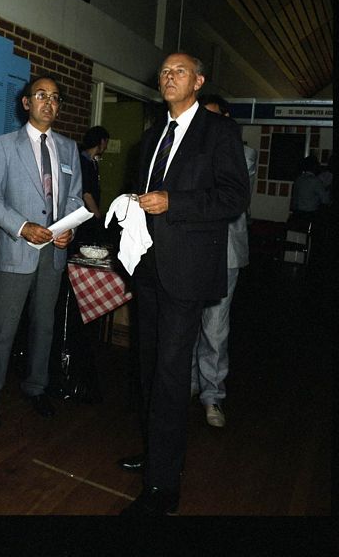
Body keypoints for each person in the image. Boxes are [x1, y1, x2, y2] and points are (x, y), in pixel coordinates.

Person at [119, 53, 250, 517]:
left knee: (173, 375)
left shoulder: (219, 133)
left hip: (188, 271)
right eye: (163, 72)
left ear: (198, 80)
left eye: (178, 71)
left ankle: (163, 484)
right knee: (149, 368)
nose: (167, 77)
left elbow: (235, 197)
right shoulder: (153, 135)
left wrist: (174, 201)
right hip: (149, 267)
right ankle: (156, 452)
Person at [0, 75, 83, 428]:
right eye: (40, 96)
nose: (48, 103)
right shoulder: (4, 145)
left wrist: (68, 228)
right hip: (17, 250)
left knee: (44, 325)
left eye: (54, 97)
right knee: (1, 328)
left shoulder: (68, 149)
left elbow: (75, 199)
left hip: (53, 255)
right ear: (26, 103)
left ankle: (36, 387)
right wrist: (22, 227)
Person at [190, 94, 258, 428]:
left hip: (227, 252)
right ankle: (187, 382)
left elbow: (220, 191)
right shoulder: (190, 150)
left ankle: (212, 395)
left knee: (215, 326)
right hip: (192, 251)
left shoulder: (244, 155)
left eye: (214, 119)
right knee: (186, 320)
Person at [73, 126, 109, 247]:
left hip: (89, 213)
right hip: (85, 214)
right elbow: (86, 193)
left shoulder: (92, 162)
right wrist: (97, 215)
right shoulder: (83, 162)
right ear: (102, 141)